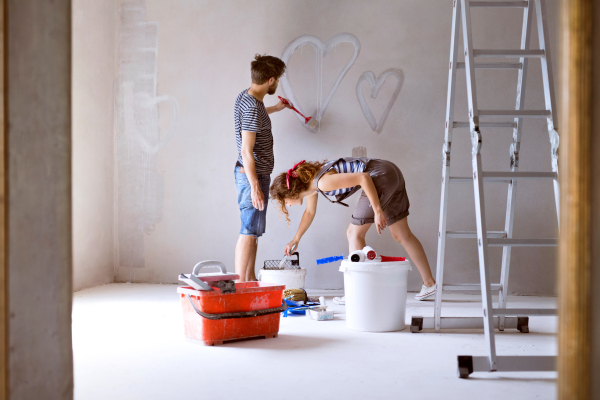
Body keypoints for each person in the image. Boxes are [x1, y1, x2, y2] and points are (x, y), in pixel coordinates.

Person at [269, 157, 437, 301]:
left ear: (291, 193)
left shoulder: (323, 182)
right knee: (402, 234)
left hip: (379, 177)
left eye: (284, 202)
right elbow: (310, 211)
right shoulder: (313, 183)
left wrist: (377, 210)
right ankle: (429, 284)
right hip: (390, 172)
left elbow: (364, 178)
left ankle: (357, 292)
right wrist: (296, 238)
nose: (287, 205)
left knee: (354, 233)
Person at [233, 54, 293, 282]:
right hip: (252, 176)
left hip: (256, 175)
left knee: (254, 233)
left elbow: (254, 119)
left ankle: (249, 281)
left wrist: (276, 108)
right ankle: (240, 285)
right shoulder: (251, 108)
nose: (277, 83)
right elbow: (246, 151)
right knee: (248, 232)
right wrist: (255, 186)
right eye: (277, 79)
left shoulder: (247, 99)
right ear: (271, 80)